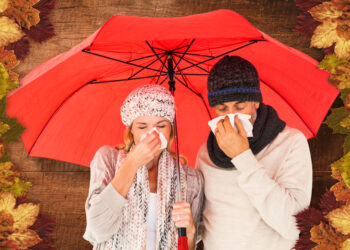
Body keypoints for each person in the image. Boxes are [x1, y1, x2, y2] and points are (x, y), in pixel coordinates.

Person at [195, 55, 312, 249]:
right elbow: (202, 225)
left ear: (256, 102)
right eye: (222, 108)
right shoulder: (205, 153)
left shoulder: (290, 142)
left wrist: (242, 157)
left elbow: (295, 225)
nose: (231, 115)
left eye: (239, 106)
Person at [83, 84, 204, 250]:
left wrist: (190, 233)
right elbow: (97, 231)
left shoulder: (191, 180)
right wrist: (132, 163)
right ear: (131, 129)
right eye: (142, 127)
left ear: (171, 129)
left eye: (161, 126)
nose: (152, 134)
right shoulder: (108, 160)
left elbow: (188, 247)